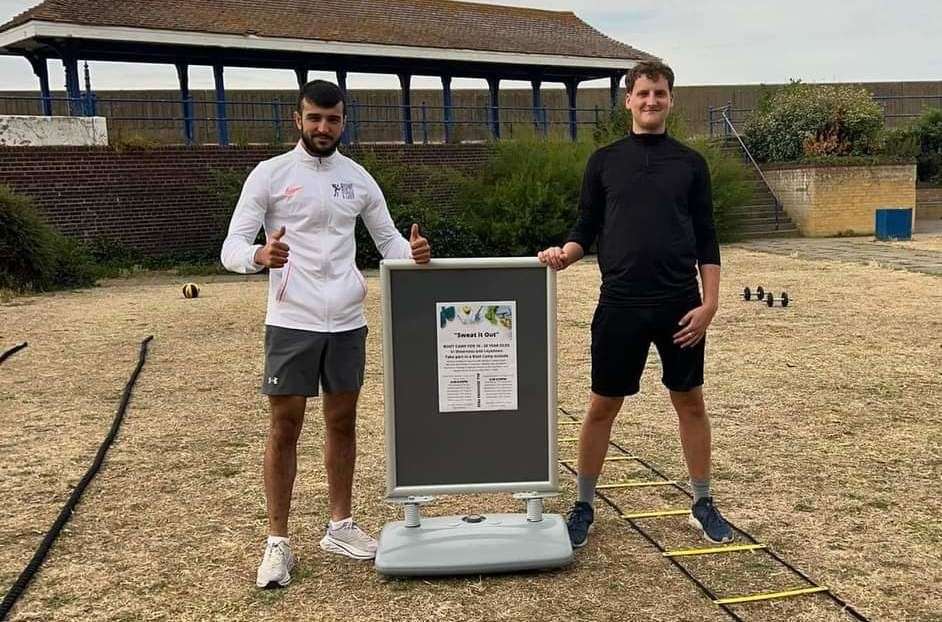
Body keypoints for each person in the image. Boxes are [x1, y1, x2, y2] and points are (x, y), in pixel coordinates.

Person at [221, 80, 431, 588]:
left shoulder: (357, 178)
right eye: (314, 118)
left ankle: (340, 525)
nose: (323, 128)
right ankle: (277, 543)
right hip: (292, 320)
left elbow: (387, 243)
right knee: (285, 427)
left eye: (332, 119)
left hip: (346, 322)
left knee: (342, 423)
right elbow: (230, 247)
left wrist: (414, 254)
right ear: (298, 120)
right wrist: (258, 256)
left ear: (343, 121)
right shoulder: (269, 175)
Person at [538, 61, 733, 549]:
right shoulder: (605, 160)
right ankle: (583, 505)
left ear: (671, 99)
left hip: (680, 306)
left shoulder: (691, 163)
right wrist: (566, 253)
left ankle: (702, 502)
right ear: (628, 99)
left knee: (689, 400)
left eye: (660, 93)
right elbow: (586, 227)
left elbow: (708, 240)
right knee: (603, 405)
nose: (651, 101)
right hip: (620, 304)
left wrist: (710, 305)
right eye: (643, 93)